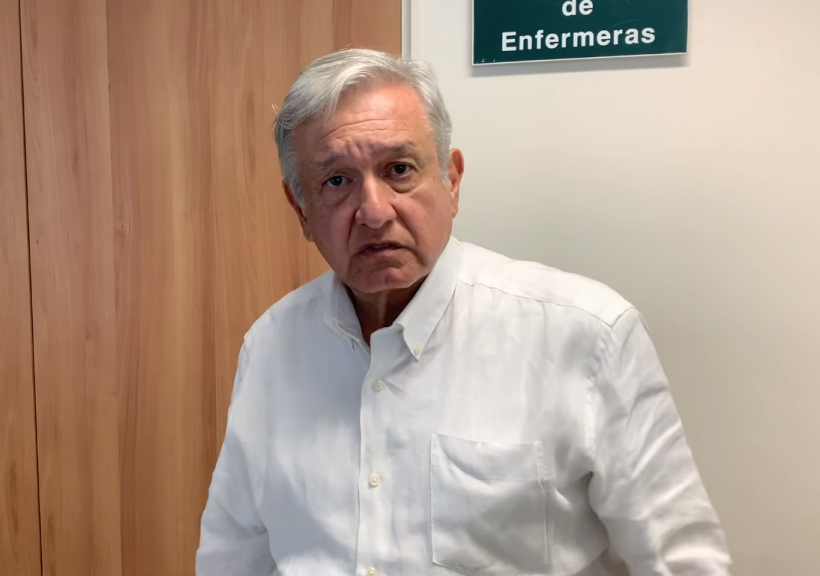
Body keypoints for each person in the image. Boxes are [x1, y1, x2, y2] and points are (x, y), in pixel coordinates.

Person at [195, 48, 732, 576]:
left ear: (451, 180)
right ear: (301, 210)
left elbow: (682, 564)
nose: (374, 212)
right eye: (337, 181)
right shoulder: (271, 347)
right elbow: (232, 555)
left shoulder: (588, 336)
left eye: (399, 169)